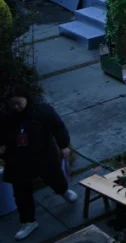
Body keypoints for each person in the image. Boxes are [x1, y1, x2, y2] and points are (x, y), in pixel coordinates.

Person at [0, 85, 79, 241]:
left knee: (54, 176)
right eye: (12, 104)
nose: (16, 107)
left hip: (43, 154)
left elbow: (58, 126)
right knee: (21, 192)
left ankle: (63, 190)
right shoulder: (5, 115)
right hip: (17, 158)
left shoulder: (42, 110)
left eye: (19, 103)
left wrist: (64, 145)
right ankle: (28, 221)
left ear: (26, 99)